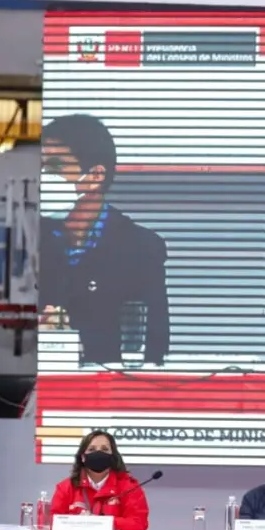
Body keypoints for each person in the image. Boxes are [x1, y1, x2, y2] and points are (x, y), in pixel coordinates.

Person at [38, 114, 170, 365]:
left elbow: (155, 344)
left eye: (56, 167)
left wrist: (69, 338)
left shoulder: (141, 248)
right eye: (41, 167)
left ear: (96, 175)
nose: (44, 178)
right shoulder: (30, 241)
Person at [49, 430, 150, 530]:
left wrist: (101, 523)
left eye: (105, 449)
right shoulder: (66, 488)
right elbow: (52, 523)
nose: (98, 453)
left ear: (112, 456)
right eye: (92, 449)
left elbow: (139, 524)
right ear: (83, 457)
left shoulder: (129, 487)